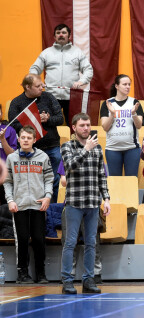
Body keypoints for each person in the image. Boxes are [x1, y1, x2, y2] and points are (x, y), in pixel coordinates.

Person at [61, 113, 110, 294]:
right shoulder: (67, 146)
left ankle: (88, 280)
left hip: (92, 204)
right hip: (74, 203)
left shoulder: (97, 149)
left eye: (88, 125)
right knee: (70, 243)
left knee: (91, 243)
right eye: (82, 125)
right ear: (74, 127)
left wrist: (107, 199)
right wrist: (85, 150)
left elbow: (101, 176)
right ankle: (67, 280)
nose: (86, 128)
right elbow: (70, 167)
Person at [4, 125, 53, 284]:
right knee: (23, 239)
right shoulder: (11, 158)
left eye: (29, 138)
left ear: (34, 140)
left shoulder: (43, 156)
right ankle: (22, 273)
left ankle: (41, 273)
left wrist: (47, 197)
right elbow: (7, 182)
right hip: (19, 205)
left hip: (39, 205)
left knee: (39, 239)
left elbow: (49, 179)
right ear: (18, 139)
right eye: (23, 137)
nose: (25, 140)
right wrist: (10, 200)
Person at [8, 74, 63, 203]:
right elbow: (14, 125)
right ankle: (35, 208)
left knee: (54, 180)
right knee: (33, 182)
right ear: (27, 87)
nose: (41, 88)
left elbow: (60, 118)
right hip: (30, 150)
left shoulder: (48, 97)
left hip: (52, 146)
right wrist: (33, 121)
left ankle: (51, 209)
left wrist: (48, 119)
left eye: (42, 85)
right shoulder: (16, 102)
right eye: (38, 86)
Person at [29, 23, 93, 125]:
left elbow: (88, 70)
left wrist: (81, 82)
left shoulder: (77, 52)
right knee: (49, 124)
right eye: (58, 33)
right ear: (54, 37)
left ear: (69, 36)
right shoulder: (46, 53)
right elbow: (34, 69)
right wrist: (38, 82)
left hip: (72, 96)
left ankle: (73, 141)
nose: (61, 35)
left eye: (64, 32)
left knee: (73, 125)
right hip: (51, 96)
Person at [58, 161, 104, 284]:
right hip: (71, 204)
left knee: (93, 241)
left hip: (91, 205)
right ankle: (68, 273)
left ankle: (95, 273)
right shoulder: (67, 156)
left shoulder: (97, 157)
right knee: (68, 241)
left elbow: (100, 181)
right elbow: (63, 181)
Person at [100, 74, 143, 177]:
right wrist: (112, 114)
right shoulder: (107, 103)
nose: (128, 87)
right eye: (124, 84)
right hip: (113, 149)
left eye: (129, 84)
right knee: (115, 182)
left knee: (131, 180)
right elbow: (105, 127)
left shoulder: (135, 102)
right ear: (117, 86)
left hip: (132, 148)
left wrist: (133, 113)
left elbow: (139, 125)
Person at [0, 104, 17, 205]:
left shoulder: (9, 130)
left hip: (6, 174)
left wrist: (3, 140)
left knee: (7, 205)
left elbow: (13, 155)